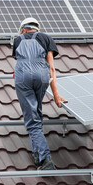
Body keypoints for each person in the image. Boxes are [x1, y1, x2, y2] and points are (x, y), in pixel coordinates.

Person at [13, 17, 67, 170]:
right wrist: (56, 94)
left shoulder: (18, 40)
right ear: (37, 28)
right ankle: (38, 152)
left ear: (23, 29)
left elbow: (21, 61)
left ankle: (45, 159)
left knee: (32, 121)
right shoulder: (46, 38)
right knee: (36, 112)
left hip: (23, 78)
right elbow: (51, 68)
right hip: (42, 77)